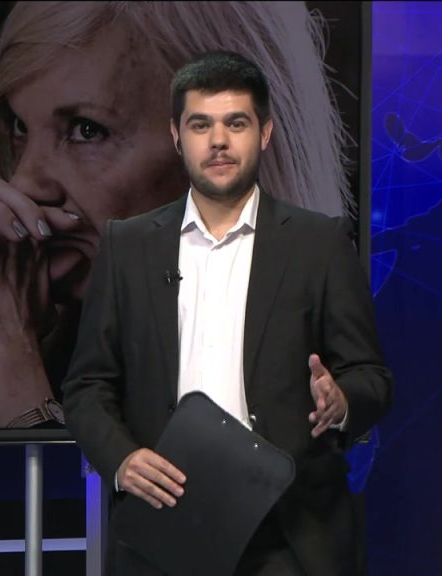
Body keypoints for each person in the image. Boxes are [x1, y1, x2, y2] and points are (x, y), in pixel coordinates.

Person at [0, 1, 357, 428]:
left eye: (87, 130)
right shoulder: (34, 329)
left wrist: (3, 365)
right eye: (19, 126)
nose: (24, 184)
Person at [61, 51, 393, 575]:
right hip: (166, 523)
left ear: (264, 133)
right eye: (201, 125)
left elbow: (371, 376)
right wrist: (121, 459)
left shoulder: (319, 243)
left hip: (289, 531)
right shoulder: (128, 246)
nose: (218, 140)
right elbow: (87, 385)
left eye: (236, 123)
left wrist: (342, 400)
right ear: (177, 136)